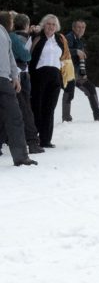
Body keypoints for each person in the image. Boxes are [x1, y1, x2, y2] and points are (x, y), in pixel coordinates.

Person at [0, 10, 36, 166]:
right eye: (12, 20)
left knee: (14, 116)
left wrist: (15, 77)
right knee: (14, 117)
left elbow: (10, 58)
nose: (13, 23)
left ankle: (21, 157)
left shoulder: (6, 35)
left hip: (4, 80)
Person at [29, 14, 70, 149]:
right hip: (39, 75)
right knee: (37, 107)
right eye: (48, 24)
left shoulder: (60, 39)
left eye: (53, 24)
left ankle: (46, 139)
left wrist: (68, 79)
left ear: (56, 27)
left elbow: (65, 58)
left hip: (55, 76)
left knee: (50, 108)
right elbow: (28, 53)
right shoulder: (37, 37)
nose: (51, 27)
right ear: (43, 25)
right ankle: (33, 138)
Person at [62, 19, 99, 123]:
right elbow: (63, 52)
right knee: (69, 92)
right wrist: (76, 51)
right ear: (73, 28)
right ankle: (66, 119)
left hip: (77, 73)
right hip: (67, 71)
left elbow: (81, 59)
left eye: (83, 27)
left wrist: (83, 73)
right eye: (78, 27)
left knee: (90, 87)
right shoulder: (69, 38)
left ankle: (98, 115)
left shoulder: (80, 40)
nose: (81, 29)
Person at [11, 13, 43, 155]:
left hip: (12, 74)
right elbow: (26, 56)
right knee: (25, 108)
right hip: (20, 74)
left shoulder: (10, 35)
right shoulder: (20, 38)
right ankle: (32, 141)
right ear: (26, 25)